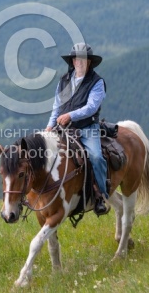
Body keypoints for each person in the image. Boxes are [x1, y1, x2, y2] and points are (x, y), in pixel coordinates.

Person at [45, 42, 110, 216]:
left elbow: (91, 107)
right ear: (72, 61)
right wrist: (50, 126)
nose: (79, 62)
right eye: (76, 59)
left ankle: (101, 196)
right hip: (63, 128)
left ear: (89, 62)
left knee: (96, 157)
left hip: (87, 128)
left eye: (83, 59)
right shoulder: (64, 81)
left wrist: (70, 116)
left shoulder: (97, 82)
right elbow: (56, 107)